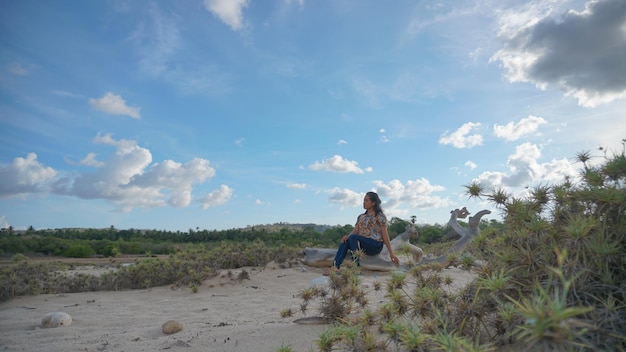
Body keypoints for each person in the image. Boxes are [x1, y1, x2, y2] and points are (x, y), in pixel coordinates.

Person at [324, 191, 400, 275]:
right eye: (364, 200)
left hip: (375, 245)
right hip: (361, 243)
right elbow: (356, 230)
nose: (363, 202)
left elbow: (385, 235)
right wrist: (347, 236)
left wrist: (391, 253)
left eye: (366, 200)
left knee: (353, 237)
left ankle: (355, 267)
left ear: (373, 203)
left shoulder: (380, 216)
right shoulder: (361, 216)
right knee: (346, 240)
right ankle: (335, 266)